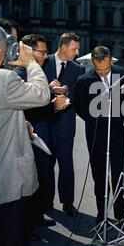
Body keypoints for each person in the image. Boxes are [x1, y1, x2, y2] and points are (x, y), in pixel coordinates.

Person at [0, 23, 50, 246]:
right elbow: (42, 94)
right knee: (7, 244)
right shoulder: (3, 79)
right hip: (3, 186)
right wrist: (32, 64)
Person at [74, 46, 124, 224]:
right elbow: (79, 106)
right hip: (96, 134)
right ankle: (101, 213)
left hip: (119, 134)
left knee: (120, 174)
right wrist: (94, 119)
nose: (104, 73)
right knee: (99, 175)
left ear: (111, 60)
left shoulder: (123, 74)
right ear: (92, 63)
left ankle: (121, 214)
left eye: (107, 68)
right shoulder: (83, 80)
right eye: (99, 69)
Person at [19, 34, 68, 229]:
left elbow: (34, 96)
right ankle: (29, 223)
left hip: (42, 131)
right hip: (32, 134)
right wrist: (53, 105)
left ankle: (36, 216)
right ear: (30, 51)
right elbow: (27, 105)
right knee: (34, 177)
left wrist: (48, 90)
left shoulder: (33, 72)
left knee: (41, 176)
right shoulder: (20, 73)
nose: (46, 56)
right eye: (43, 51)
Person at [43, 32, 85, 216]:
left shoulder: (78, 69)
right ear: (63, 46)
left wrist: (67, 92)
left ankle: (68, 202)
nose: (77, 52)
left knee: (66, 164)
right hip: (43, 122)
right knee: (45, 164)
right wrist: (49, 89)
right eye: (74, 48)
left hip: (66, 124)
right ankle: (45, 202)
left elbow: (80, 97)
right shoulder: (44, 62)